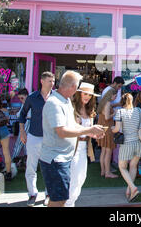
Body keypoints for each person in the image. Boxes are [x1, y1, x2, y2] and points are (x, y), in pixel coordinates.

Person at [39, 71, 105, 207]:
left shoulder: (65, 101)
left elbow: (72, 125)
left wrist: (90, 133)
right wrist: (88, 130)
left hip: (62, 158)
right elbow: (61, 131)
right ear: (73, 87)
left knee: (63, 198)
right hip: (55, 159)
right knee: (59, 199)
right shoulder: (55, 103)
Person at [19, 71, 55, 207]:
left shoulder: (56, 97)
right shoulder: (32, 97)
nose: (52, 84)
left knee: (49, 168)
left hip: (51, 138)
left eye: (53, 81)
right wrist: (22, 132)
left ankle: (48, 194)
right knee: (31, 167)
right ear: (42, 81)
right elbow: (22, 115)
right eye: (49, 81)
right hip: (34, 136)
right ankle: (32, 194)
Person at [66, 82, 100, 207]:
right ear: (79, 93)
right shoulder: (71, 107)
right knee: (74, 179)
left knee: (81, 178)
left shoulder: (89, 109)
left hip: (84, 147)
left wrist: (96, 133)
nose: (87, 97)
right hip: (71, 147)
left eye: (90, 95)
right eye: (85, 94)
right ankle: (68, 204)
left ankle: (70, 202)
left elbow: (89, 132)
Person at [112, 93, 141, 202]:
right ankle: (129, 190)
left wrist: (112, 128)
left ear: (122, 101)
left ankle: (133, 188)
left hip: (127, 143)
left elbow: (117, 129)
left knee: (122, 167)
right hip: (139, 142)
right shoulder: (139, 111)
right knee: (133, 166)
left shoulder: (120, 112)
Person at [97, 87, 118, 178]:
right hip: (108, 129)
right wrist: (115, 113)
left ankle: (103, 171)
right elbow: (107, 117)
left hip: (102, 128)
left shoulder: (103, 102)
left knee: (103, 151)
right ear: (111, 95)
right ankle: (108, 172)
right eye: (115, 96)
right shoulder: (108, 103)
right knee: (108, 152)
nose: (115, 98)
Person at [11, 88, 30, 162]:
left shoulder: (27, 103)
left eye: (22, 98)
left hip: (27, 122)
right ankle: (25, 162)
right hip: (26, 123)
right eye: (19, 98)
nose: (21, 100)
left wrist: (16, 113)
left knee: (19, 143)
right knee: (25, 145)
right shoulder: (25, 103)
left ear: (26, 96)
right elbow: (19, 114)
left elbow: (20, 115)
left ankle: (12, 162)